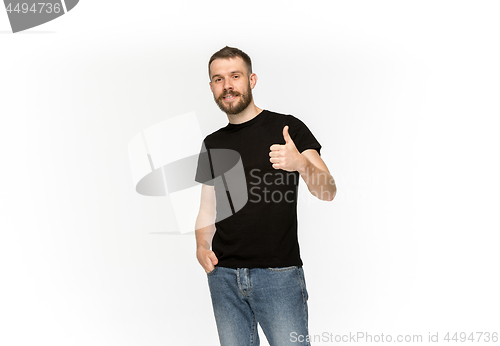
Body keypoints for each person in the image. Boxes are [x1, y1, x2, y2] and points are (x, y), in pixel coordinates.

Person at [194, 46, 336, 346]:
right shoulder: (213, 142)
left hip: (278, 276)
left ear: (252, 80)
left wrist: (299, 164)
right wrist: (201, 245)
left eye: (235, 76)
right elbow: (207, 208)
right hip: (223, 276)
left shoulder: (288, 128)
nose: (227, 86)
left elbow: (328, 191)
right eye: (218, 79)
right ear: (211, 87)